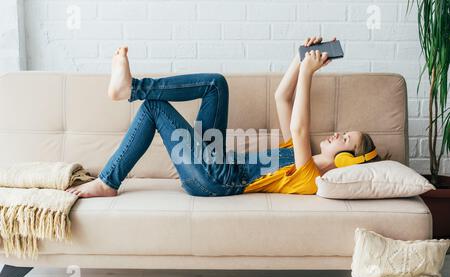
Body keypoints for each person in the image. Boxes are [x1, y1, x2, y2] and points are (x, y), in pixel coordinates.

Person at [66, 36, 381, 198]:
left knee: (153, 106)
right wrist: (300, 60)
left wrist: (310, 74)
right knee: (216, 84)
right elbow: (281, 97)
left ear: (347, 162)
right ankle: (132, 88)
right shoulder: (298, 153)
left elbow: (299, 127)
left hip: (215, 180)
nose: (338, 134)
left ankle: (109, 179)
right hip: (214, 163)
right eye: (344, 132)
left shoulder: (311, 178)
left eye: (346, 140)